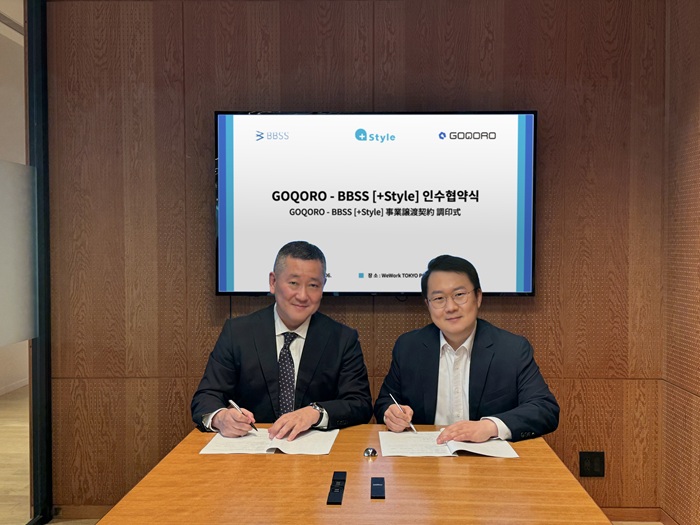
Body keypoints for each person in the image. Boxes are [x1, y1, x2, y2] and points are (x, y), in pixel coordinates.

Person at [192, 241, 372, 441]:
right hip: (251, 448)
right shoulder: (238, 333)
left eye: (313, 285)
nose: (302, 296)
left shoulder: (342, 339)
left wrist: (316, 413)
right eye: (293, 283)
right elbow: (206, 397)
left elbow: (360, 404)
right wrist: (221, 418)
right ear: (273, 282)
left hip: (315, 449)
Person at [374, 255, 559, 443]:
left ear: (478, 297)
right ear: (428, 304)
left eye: (459, 295)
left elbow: (545, 409)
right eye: (438, 298)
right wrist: (392, 414)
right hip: (427, 454)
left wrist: (490, 427)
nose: (450, 307)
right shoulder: (408, 347)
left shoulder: (512, 349)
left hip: (490, 457)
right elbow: (385, 403)